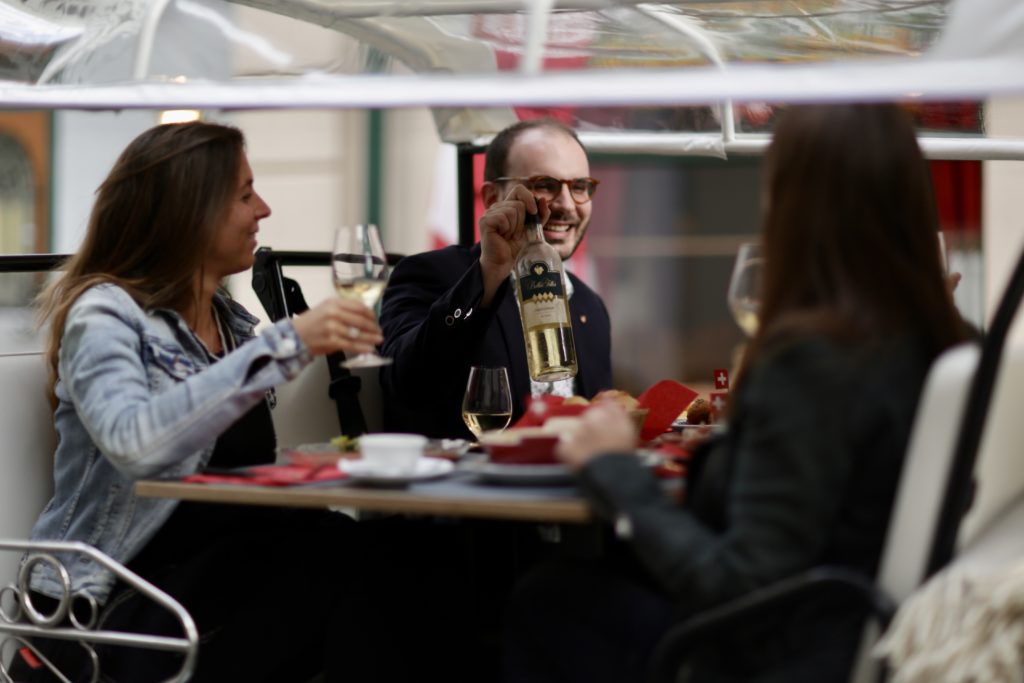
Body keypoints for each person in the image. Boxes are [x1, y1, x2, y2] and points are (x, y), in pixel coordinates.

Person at [502, 103, 970, 682]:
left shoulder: (813, 361)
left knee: (548, 596)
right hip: (884, 635)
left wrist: (612, 468)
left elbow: (739, 584)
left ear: (792, 205)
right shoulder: (950, 344)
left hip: (780, 652)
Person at [10, 121, 383, 682]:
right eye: (243, 194)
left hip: (220, 582)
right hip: (117, 606)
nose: (264, 209)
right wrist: (294, 341)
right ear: (190, 211)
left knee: (386, 553)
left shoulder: (231, 324)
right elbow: (135, 442)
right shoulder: (105, 315)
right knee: (346, 568)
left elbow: (225, 468)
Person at [379, 118, 612, 439]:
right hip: (466, 484)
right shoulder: (430, 274)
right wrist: (489, 274)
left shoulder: (590, 305)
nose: (567, 205)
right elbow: (405, 382)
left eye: (580, 187)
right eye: (545, 185)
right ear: (491, 199)